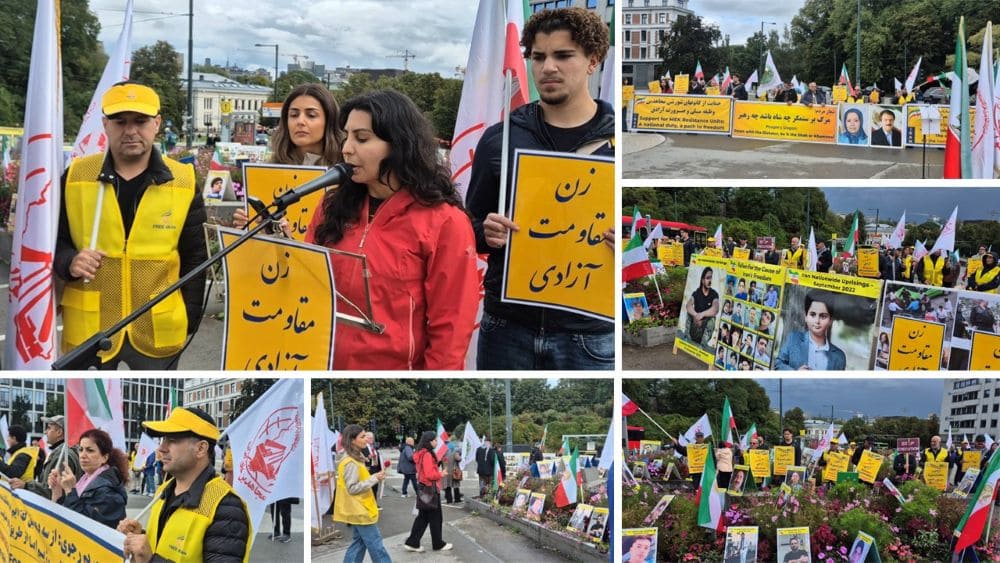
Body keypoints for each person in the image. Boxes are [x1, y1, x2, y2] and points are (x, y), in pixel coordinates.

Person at [466, 7, 614, 370]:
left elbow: (640, 239)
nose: (549, 67)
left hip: (589, 332)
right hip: (507, 328)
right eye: (539, 57)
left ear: (592, 60)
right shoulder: (500, 139)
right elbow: (465, 225)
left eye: (563, 56)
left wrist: (623, 241)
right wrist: (486, 232)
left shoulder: (619, 145)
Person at [304, 89, 479, 369]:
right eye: (346, 136)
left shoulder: (445, 223)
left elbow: (451, 330)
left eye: (362, 138)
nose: (347, 148)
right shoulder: (330, 206)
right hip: (322, 365)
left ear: (399, 145)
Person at [55, 82, 207, 369]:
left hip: (158, 328)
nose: (130, 131)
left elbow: (196, 258)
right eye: (119, 121)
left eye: (140, 121)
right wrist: (69, 261)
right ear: (105, 124)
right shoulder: (76, 176)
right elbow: (53, 241)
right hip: (92, 329)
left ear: (157, 124)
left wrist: (189, 317)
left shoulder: (184, 180)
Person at [118, 407, 250, 563]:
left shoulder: (226, 507)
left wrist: (151, 560)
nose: (161, 448)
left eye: (172, 440)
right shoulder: (164, 490)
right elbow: (165, 542)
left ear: (201, 449)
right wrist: (140, 538)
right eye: (163, 439)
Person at [331, 424, 390, 562]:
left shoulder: (354, 459)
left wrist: (374, 477)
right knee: (376, 545)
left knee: (358, 544)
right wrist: (375, 478)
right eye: (362, 436)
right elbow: (352, 488)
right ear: (352, 440)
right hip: (361, 509)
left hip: (360, 508)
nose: (366, 439)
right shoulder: (350, 462)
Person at [49, 428, 128, 528]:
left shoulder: (108, 491)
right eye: (81, 449)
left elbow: (85, 525)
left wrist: (70, 490)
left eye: (90, 450)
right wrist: (58, 492)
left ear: (105, 457)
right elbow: (66, 515)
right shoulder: (85, 480)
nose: (82, 455)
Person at [404, 430, 452, 552]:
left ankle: (412, 542)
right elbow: (430, 474)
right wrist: (441, 473)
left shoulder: (421, 453)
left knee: (423, 517)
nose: (437, 442)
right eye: (435, 440)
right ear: (429, 441)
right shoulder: (427, 455)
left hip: (424, 488)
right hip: (430, 489)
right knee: (436, 518)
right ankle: (438, 543)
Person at [776, 291, 847, 370]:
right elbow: (778, 365)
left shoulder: (839, 357)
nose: (817, 321)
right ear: (805, 316)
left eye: (823, 316)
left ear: (830, 320)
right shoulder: (794, 339)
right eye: (813, 314)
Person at [686, 267, 720, 347]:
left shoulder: (714, 294)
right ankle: (686, 337)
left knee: (712, 318)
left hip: (704, 331)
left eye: (711, 278)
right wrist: (696, 315)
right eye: (708, 278)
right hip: (694, 328)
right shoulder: (696, 293)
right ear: (702, 280)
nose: (710, 281)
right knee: (689, 313)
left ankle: (703, 344)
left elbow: (715, 309)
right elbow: (688, 305)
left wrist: (702, 314)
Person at [363, 432, 383, 506]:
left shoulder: (373, 447)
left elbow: (378, 457)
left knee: (375, 488)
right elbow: (360, 459)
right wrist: (368, 457)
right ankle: (369, 504)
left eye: (372, 438)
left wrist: (381, 469)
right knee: (369, 488)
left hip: (375, 469)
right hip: (368, 470)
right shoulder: (363, 447)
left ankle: (374, 503)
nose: (372, 439)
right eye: (370, 438)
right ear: (366, 438)